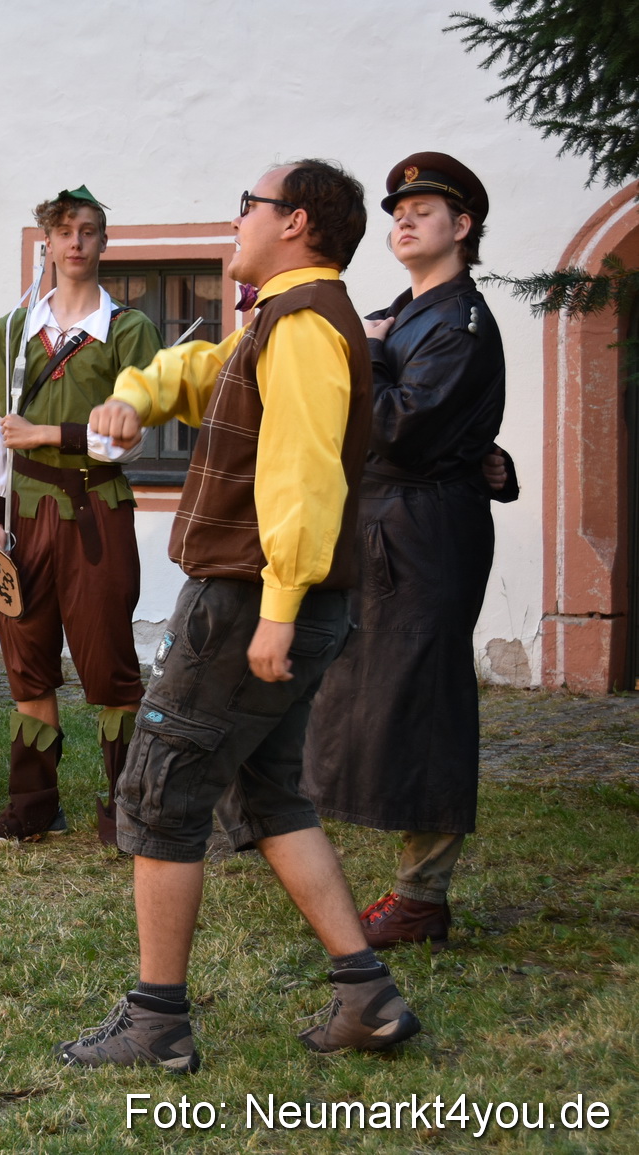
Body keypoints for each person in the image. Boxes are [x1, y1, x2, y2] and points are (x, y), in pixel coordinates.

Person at [62, 160, 421, 1072]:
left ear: (294, 222)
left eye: (247, 207)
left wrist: (278, 611)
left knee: (158, 793)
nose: (235, 221)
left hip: (252, 600)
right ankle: (367, 996)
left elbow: (305, 477)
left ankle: (157, 1022)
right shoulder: (279, 320)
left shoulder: (302, 326)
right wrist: (133, 394)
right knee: (271, 793)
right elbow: (199, 371)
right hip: (278, 601)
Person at [301, 153, 518, 948]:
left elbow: (400, 426)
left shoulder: (458, 322)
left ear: (462, 228)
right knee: (351, 689)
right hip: (382, 520)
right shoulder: (406, 308)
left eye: (423, 209)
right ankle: (281, 831)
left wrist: (362, 349)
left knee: (423, 699)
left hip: (424, 531)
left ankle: (422, 894)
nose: (403, 219)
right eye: (398, 208)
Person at [0, 187, 161, 846]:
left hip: (95, 512)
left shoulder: (129, 331)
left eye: (89, 231)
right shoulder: (14, 331)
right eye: (64, 231)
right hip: (21, 512)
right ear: (45, 244)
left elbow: (126, 440)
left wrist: (45, 433)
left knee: (108, 664)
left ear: (104, 244)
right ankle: (33, 805)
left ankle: (126, 809)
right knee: (26, 660)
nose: (76, 242)